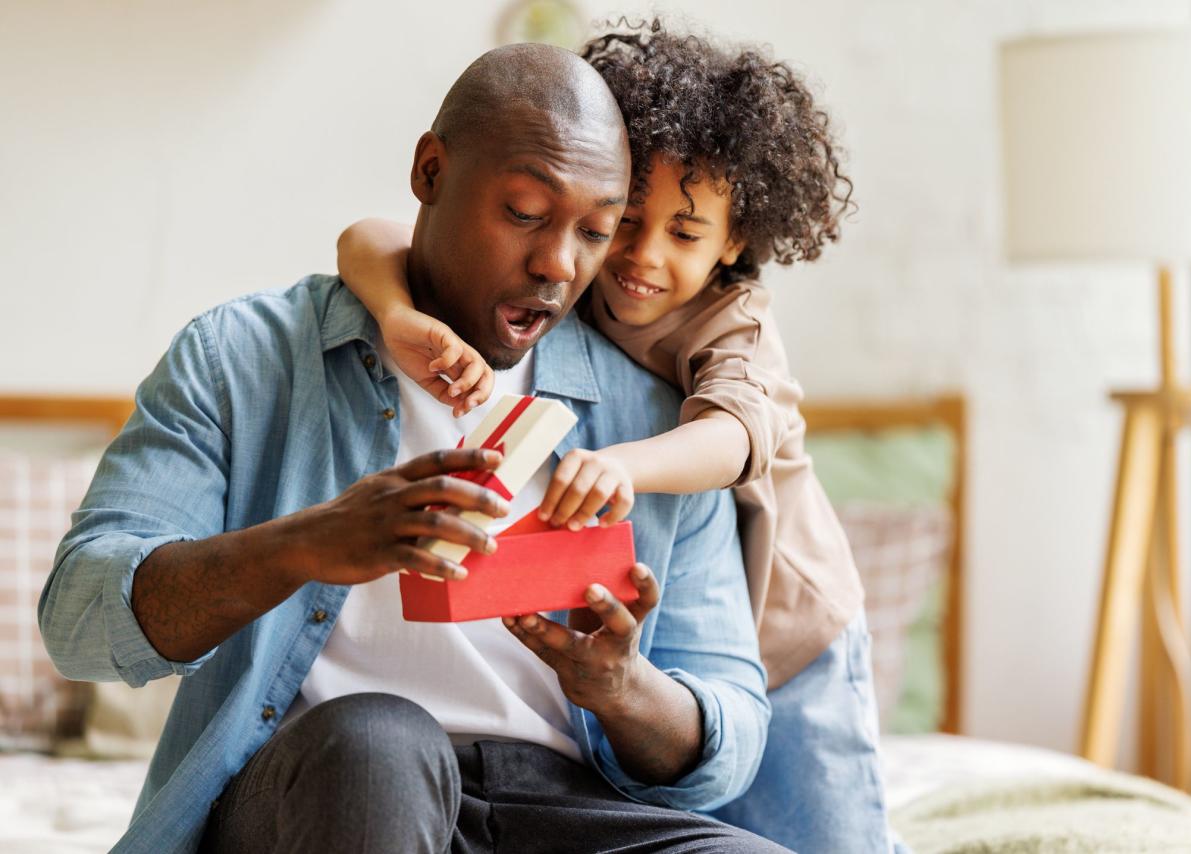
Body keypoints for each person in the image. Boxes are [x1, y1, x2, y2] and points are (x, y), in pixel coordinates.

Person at [39, 43, 788, 854]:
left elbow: (732, 740)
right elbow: (81, 621)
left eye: (596, 231)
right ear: (430, 172)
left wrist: (621, 687)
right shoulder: (241, 359)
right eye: (526, 214)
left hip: (556, 803)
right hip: (323, 785)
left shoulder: (656, 421)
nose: (558, 265)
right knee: (379, 743)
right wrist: (308, 543)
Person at [337, 21, 897, 853]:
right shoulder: (572, 276)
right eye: (625, 220)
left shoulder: (733, 323)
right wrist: (397, 316)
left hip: (790, 628)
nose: (639, 257)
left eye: (685, 232)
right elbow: (370, 239)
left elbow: (732, 437)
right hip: (688, 646)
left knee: (829, 838)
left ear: (735, 242)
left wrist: (619, 465)